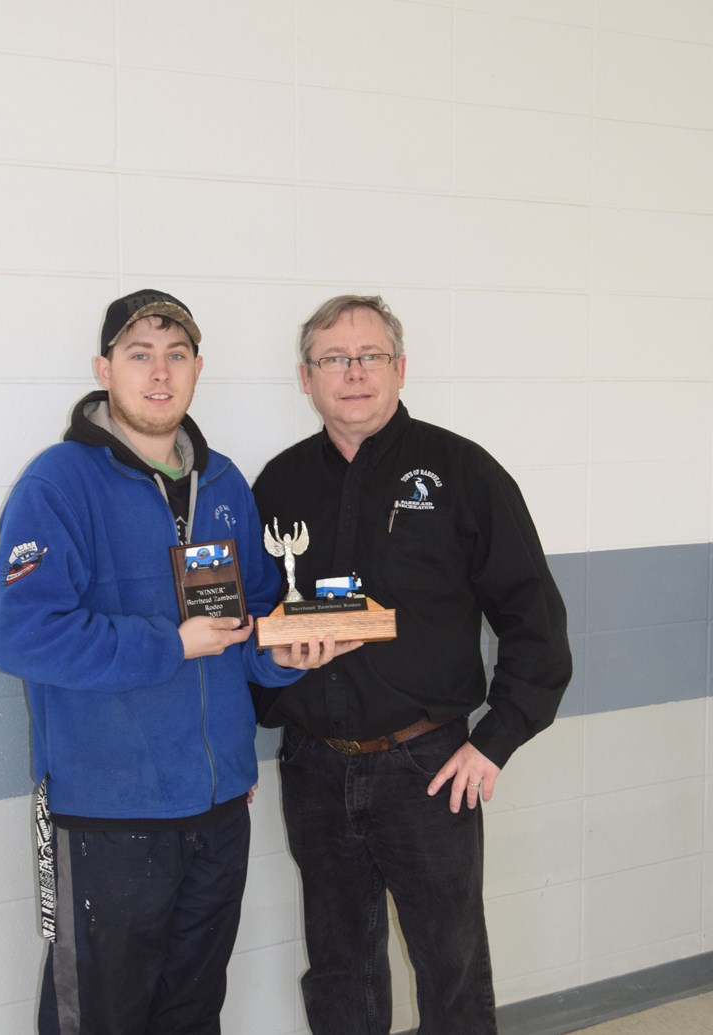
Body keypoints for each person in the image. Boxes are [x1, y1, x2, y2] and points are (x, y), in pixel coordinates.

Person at [0, 289, 354, 1035]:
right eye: (139, 355)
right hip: (108, 821)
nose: (160, 373)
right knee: (100, 1019)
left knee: (191, 1013)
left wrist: (291, 655)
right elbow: (18, 635)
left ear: (197, 368)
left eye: (176, 355)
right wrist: (169, 642)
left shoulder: (224, 486)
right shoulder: (58, 483)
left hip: (217, 813)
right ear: (104, 368)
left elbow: (248, 636)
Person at [251, 295, 572, 1035]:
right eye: (335, 358)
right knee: (338, 969)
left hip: (426, 766)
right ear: (307, 378)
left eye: (370, 355)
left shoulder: (463, 472)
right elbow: (253, 626)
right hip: (314, 769)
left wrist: (494, 741)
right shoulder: (279, 485)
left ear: (400, 368)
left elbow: (537, 622)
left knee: (450, 968)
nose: (354, 372)